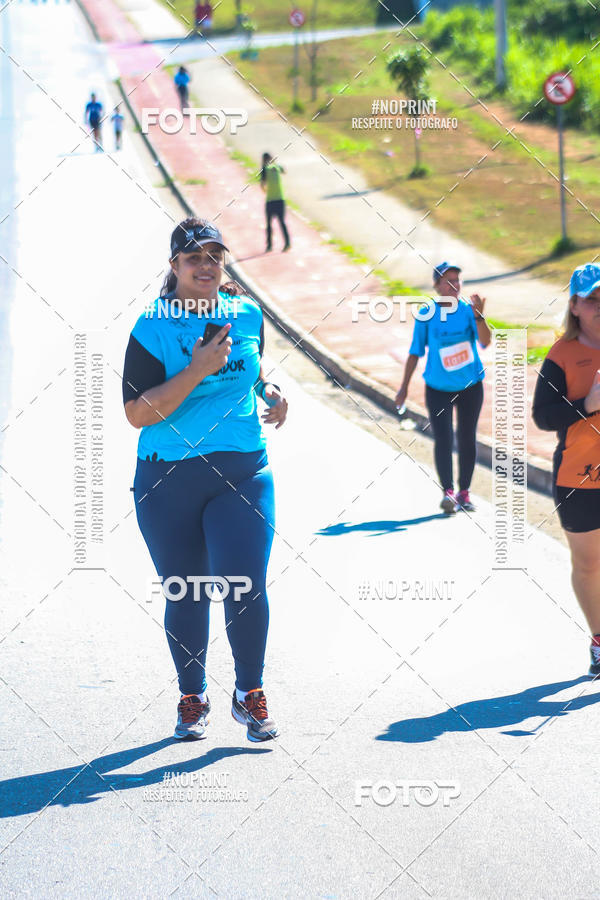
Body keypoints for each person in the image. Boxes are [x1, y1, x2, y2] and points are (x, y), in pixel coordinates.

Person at [122, 217, 289, 741]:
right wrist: (195, 369)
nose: (206, 265)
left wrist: (271, 392)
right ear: (174, 267)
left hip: (242, 468)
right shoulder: (151, 326)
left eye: (214, 256)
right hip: (167, 477)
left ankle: (250, 693)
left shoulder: (245, 312)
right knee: (188, 590)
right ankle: (192, 696)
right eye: (194, 257)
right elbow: (136, 413)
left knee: (245, 586)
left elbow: (254, 367)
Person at [533, 263, 600, 679]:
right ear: (574, 305)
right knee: (590, 565)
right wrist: (587, 405)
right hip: (579, 477)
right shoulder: (562, 356)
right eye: (592, 299)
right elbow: (543, 417)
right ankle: (599, 639)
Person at [395, 262, 490, 514]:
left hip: (470, 386)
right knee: (444, 439)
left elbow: (485, 342)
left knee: (467, 438)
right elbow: (415, 352)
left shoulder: (469, 311)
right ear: (436, 286)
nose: (454, 286)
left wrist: (479, 315)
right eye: (448, 281)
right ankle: (448, 493)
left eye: (457, 280)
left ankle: (465, 492)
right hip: (438, 388)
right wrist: (403, 387)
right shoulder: (427, 314)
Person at [260, 152, 290, 253]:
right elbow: (285, 171)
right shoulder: (277, 167)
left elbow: (262, 185)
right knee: (282, 222)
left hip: (270, 201)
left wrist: (267, 191)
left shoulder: (264, 169)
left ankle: (269, 246)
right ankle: (287, 243)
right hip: (281, 199)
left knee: (269, 224)